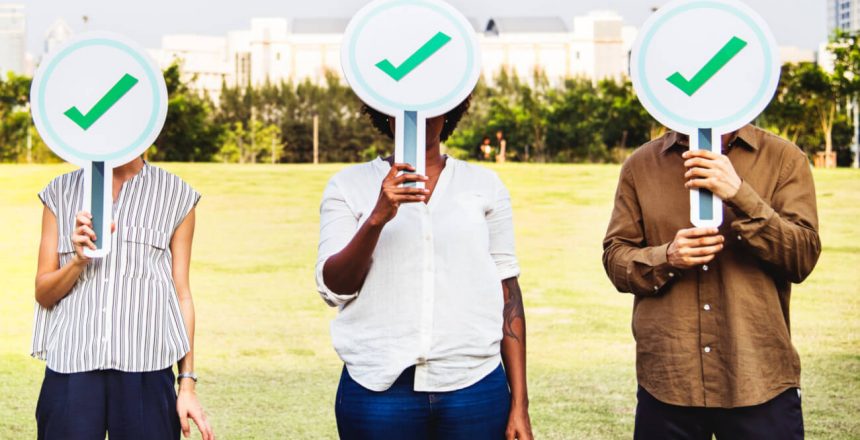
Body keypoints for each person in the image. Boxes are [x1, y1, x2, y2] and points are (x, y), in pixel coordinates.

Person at [315, 97, 533, 440]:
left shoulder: (484, 186)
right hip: (377, 388)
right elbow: (335, 287)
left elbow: (509, 293)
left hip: (474, 386)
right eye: (405, 105)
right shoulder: (348, 186)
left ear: (450, 110)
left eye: (434, 103)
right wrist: (376, 218)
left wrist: (520, 403)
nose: (421, 114)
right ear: (385, 113)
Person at [602, 125, 821, 439]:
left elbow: (802, 259)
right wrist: (667, 257)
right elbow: (615, 257)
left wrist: (740, 194)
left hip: (758, 378)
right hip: (669, 382)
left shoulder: (784, 158)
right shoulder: (641, 164)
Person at [33, 157, 214, 440]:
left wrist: (187, 385)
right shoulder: (60, 191)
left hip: (147, 370)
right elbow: (43, 293)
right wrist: (78, 262)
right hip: (71, 366)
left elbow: (182, 295)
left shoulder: (176, 194)